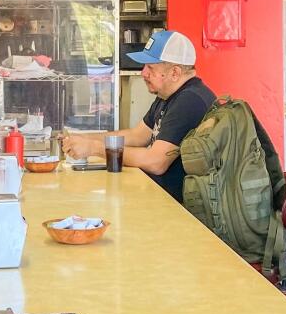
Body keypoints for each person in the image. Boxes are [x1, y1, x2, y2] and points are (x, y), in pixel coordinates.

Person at [62, 29, 215, 202]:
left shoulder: (190, 100)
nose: (143, 73)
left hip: (177, 208)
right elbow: (137, 136)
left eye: (150, 67)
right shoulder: (168, 95)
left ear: (175, 73)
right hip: (158, 197)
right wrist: (83, 138)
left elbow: (156, 162)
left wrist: (94, 149)